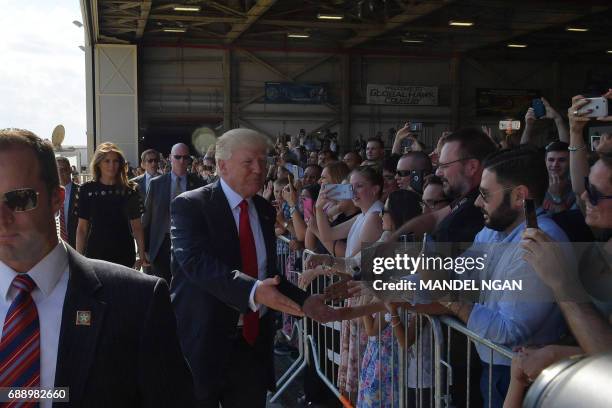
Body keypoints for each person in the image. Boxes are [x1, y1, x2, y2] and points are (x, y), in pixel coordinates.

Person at [0, 129, 195, 407]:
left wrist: (141, 253)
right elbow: (82, 227)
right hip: (98, 247)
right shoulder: (90, 191)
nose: (2, 218)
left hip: (119, 252)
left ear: (56, 199)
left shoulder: (138, 301)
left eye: (19, 199)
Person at [170, 129, 306, 407]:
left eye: (263, 161)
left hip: (252, 347)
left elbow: (268, 274)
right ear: (222, 166)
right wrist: (253, 291)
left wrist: (307, 301)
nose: (259, 169)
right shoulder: (191, 206)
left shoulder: (265, 210)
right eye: (249, 162)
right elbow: (196, 263)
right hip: (205, 342)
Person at [75, 142, 149, 269]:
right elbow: (82, 228)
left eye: (115, 161)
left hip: (124, 252)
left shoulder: (130, 191)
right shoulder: (86, 190)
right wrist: (78, 259)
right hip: (95, 253)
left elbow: (137, 227)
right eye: (107, 161)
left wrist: (141, 256)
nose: (112, 165)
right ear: (98, 164)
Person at [142, 143, 204, 283]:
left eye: (185, 157)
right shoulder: (156, 183)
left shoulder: (199, 184)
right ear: (170, 158)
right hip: (162, 242)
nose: (182, 161)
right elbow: (147, 218)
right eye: (177, 157)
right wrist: (143, 249)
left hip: (189, 243)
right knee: (162, 285)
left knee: (186, 286)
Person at [541, 141, 576, 213]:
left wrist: (557, 197)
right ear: (545, 161)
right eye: (551, 160)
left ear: (570, 162)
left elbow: (569, 223)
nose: (555, 164)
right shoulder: (537, 185)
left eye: (561, 160)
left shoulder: (576, 189)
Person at [56, 157, 79, 248]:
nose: (60, 173)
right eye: (57, 170)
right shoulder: (48, 195)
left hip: (76, 245)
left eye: (63, 169)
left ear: (70, 170)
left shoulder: (81, 191)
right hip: (57, 246)